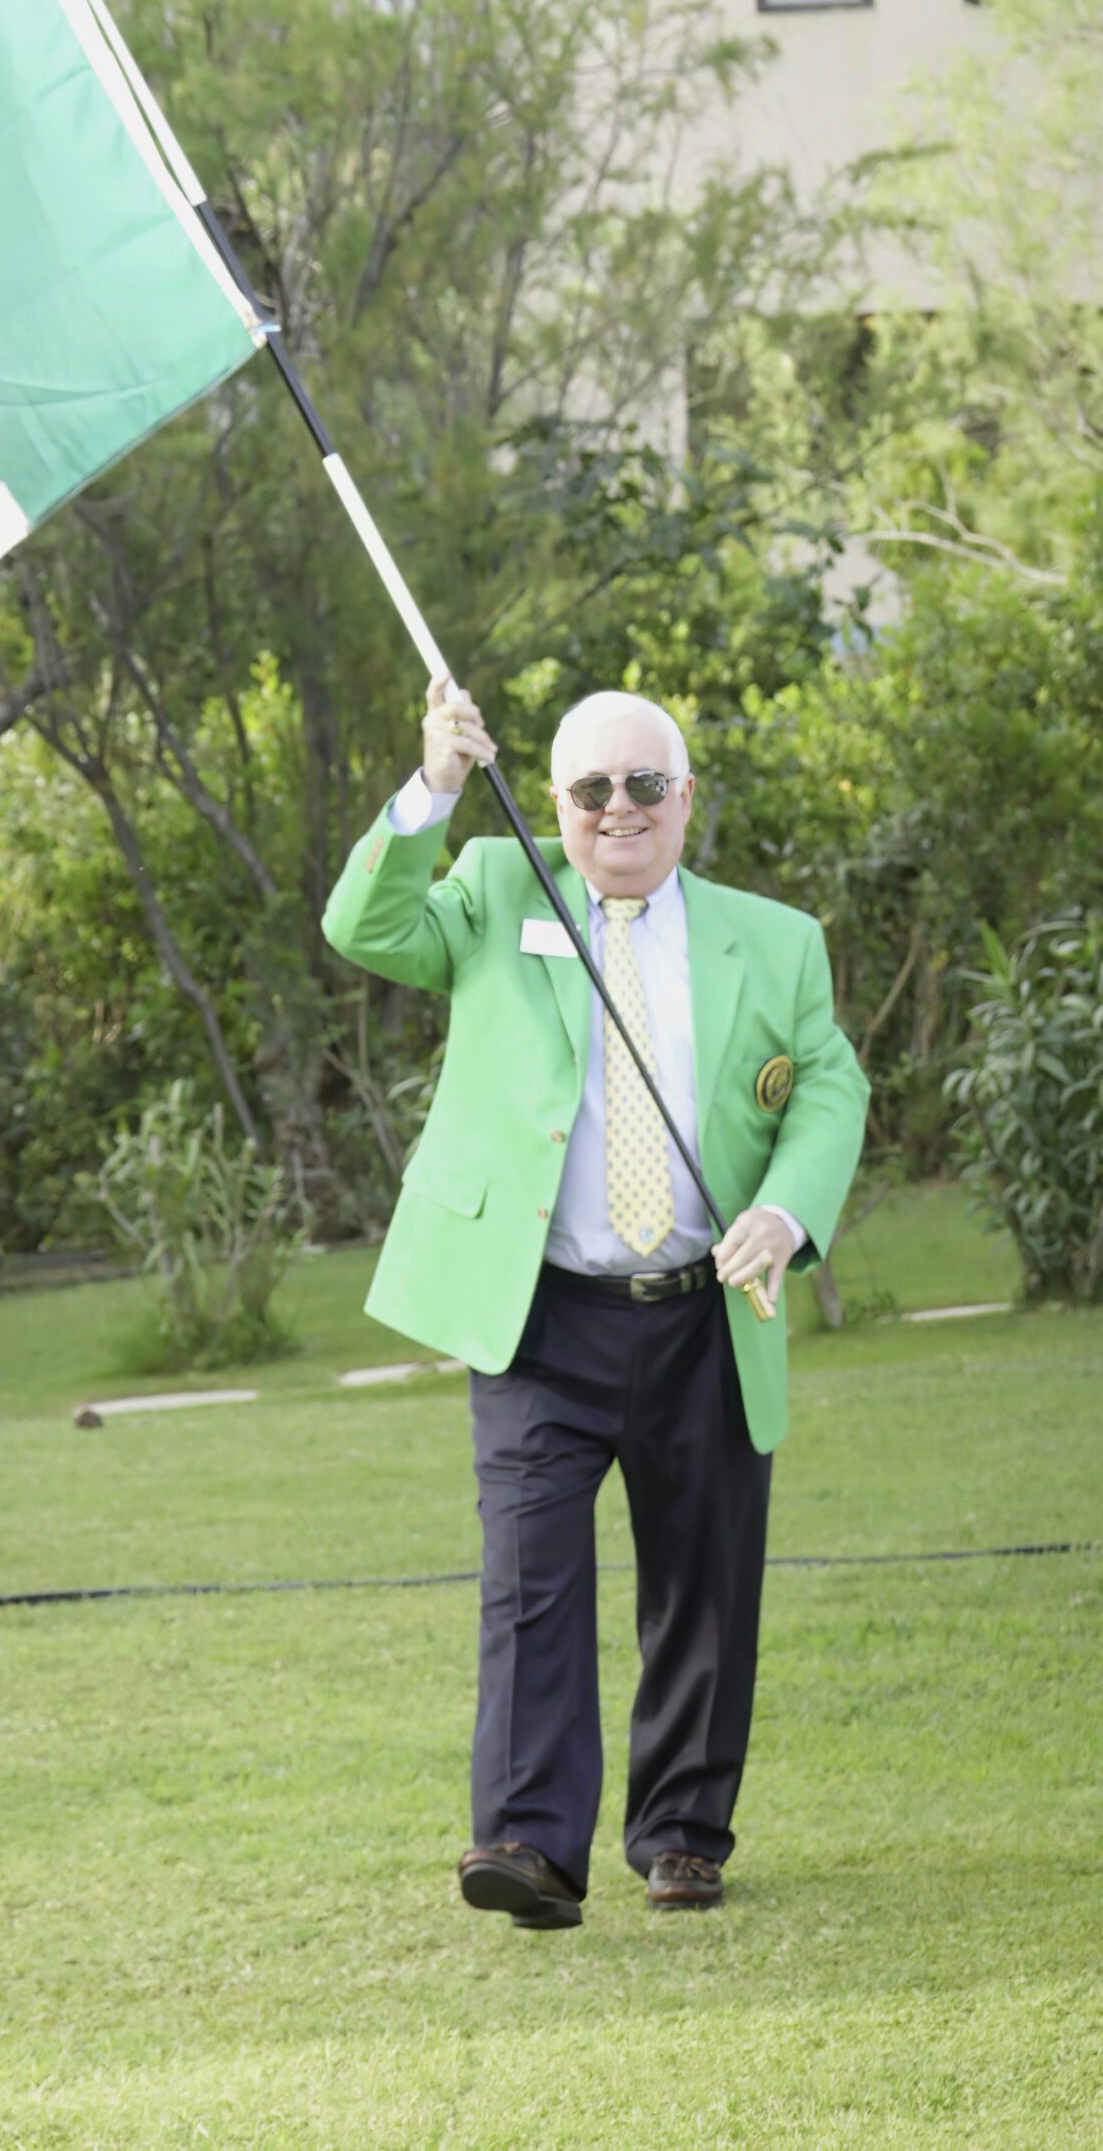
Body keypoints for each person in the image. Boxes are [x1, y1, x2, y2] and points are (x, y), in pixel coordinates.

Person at [322, 677, 867, 1928]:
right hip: (540, 1315)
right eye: (588, 788)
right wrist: (436, 783)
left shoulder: (775, 938)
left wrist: (786, 1211)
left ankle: (681, 1837)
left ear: (686, 797)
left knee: (703, 1584)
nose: (618, 808)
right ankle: (526, 1842)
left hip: (704, 1310)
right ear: (554, 801)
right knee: (530, 1578)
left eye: (644, 784)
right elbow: (365, 924)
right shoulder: (493, 884)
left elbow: (828, 1086)